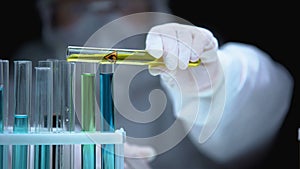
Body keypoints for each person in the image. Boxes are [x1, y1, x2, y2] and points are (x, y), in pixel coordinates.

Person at [11, 0, 294, 169]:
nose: (102, 8)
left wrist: (214, 83)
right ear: (49, 13)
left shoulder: (193, 49)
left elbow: (262, 91)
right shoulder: (29, 73)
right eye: (77, 2)